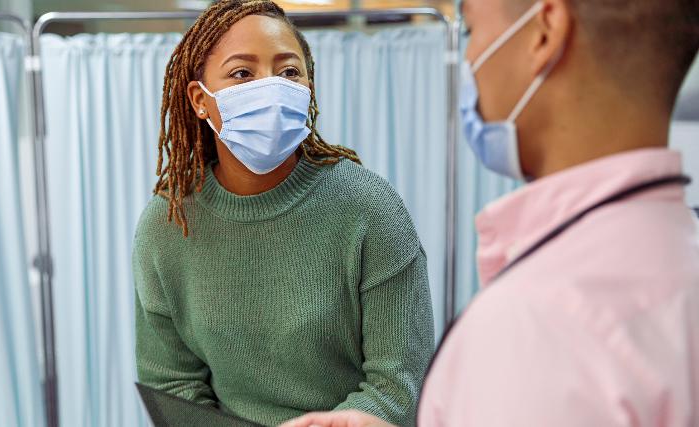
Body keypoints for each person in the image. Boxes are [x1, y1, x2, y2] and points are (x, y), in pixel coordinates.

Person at [282, 0, 699, 425]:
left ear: (544, 32)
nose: (469, 60)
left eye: (472, 32)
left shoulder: (535, 327)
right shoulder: (681, 263)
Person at [132, 0, 435, 425]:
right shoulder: (167, 226)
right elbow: (172, 385)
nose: (271, 87)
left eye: (289, 72)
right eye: (242, 73)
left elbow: (400, 383)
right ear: (200, 100)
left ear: (308, 87)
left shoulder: (370, 209)